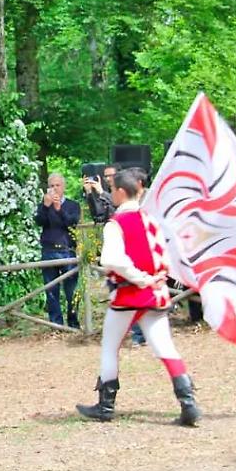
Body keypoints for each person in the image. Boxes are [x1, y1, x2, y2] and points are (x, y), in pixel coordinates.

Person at [76, 168, 201, 426]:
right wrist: (156, 278)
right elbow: (164, 255)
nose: (111, 193)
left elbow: (112, 260)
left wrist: (141, 279)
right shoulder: (151, 220)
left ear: (121, 192)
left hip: (130, 295)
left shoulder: (116, 224)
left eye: (112, 190)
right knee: (165, 348)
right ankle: (188, 403)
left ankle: (105, 406)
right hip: (155, 294)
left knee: (110, 347)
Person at [35, 173, 82, 328]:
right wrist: (46, 206)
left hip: (67, 250)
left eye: (57, 185)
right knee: (51, 290)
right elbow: (39, 221)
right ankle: (56, 324)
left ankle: (73, 323)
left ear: (63, 187)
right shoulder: (43, 205)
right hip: (48, 250)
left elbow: (71, 223)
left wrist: (59, 209)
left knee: (72, 291)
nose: (54, 189)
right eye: (51, 186)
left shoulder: (73, 205)